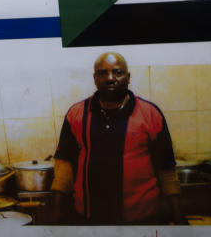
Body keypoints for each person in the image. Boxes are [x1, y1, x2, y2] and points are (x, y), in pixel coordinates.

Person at [50, 52, 182, 225]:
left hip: (141, 219)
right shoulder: (76, 114)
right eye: (103, 73)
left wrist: (178, 217)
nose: (110, 78)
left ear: (128, 77)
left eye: (118, 72)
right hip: (90, 218)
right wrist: (56, 213)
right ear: (95, 78)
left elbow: (167, 169)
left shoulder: (150, 114)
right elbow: (64, 166)